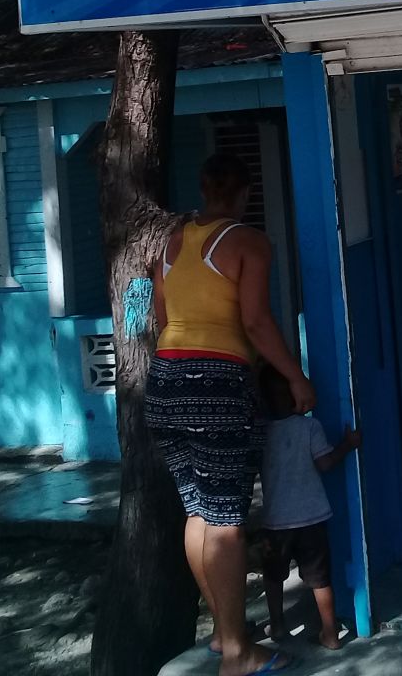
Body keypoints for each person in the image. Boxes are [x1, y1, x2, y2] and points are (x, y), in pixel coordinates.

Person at [145, 153, 314, 676]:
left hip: (165, 383)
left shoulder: (170, 244)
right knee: (227, 523)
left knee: (198, 513)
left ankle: (225, 633)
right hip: (217, 386)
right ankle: (240, 655)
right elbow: (256, 321)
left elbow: (163, 321)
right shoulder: (248, 242)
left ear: (204, 189)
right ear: (244, 193)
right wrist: (295, 376)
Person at [256, 365, 361, 650]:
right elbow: (325, 463)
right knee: (319, 579)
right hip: (312, 518)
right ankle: (330, 633)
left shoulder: (261, 433)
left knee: (273, 576)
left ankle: (278, 625)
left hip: (275, 522)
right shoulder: (309, 427)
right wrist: (348, 444)